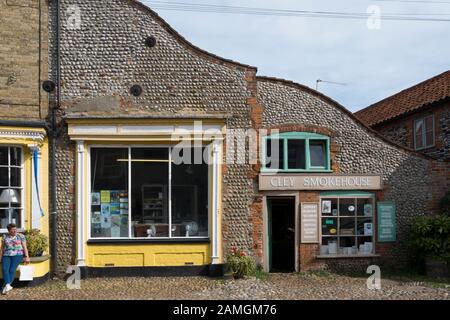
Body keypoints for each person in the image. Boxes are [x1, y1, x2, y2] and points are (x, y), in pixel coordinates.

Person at [0, 223, 30, 295]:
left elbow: (24, 247)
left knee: (12, 270)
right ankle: (8, 285)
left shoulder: (21, 236)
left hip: (18, 255)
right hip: (6, 255)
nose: (14, 231)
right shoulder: (5, 237)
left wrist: (27, 256)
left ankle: (6, 286)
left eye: (15, 229)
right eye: (12, 230)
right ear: (9, 230)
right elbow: (2, 248)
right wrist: (0, 257)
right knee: (4, 269)